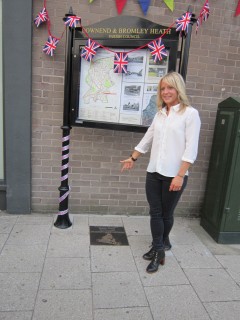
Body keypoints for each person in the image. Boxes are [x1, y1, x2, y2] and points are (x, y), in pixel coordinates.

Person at [120, 72, 201, 274]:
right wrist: (133, 157)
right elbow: (147, 139)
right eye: (162, 88)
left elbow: (191, 149)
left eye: (170, 87)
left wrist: (180, 175)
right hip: (154, 172)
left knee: (166, 213)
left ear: (178, 89)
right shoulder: (159, 114)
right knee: (156, 213)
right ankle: (160, 247)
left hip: (175, 174)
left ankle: (159, 249)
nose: (165, 92)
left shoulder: (190, 114)